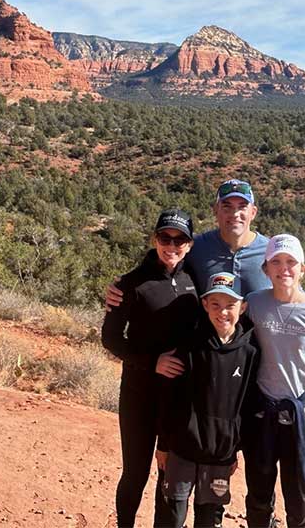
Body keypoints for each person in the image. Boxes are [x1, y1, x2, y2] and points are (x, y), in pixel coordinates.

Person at [105, 180, 305, 357]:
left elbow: (292, 291)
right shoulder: (197, 247)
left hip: (258, 358)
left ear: (253, 212)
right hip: (203, 355)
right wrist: (123, 286)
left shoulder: (271, 253)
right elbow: (164, 261)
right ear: (216, 210)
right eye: (227, 206)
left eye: (242, 206)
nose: (234, 214)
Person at [101, 208, 201, 528]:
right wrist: (152, 362)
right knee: (136, 472)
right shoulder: (131, 284)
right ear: (154, 239)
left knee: (168, 472)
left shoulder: (193, 281)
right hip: (139, 393)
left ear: (190, 244)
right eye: (164, 237)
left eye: (180, 239)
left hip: (179, 397)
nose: (171, 245)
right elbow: (111, 339)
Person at [242, 234, 305, 528]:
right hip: (260, 415)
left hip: (300, 419)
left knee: (298, 499)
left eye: (291, 262)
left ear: (302, 269)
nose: (284, 268)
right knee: (258, 495)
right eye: (277, 262)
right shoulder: (253, 303)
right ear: (266, 268)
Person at [155, 272, 259, 528]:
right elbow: (170, 397)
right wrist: (164, 444)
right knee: (172, 515)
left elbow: (247, 406)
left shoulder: (250, 353)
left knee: (210, 519)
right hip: (182, 448)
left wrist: (235, 449)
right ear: (204, 305)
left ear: (243, 307)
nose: (222, 312)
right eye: (215, 304)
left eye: (230, 306)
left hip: (220, 453)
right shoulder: (189, 345)